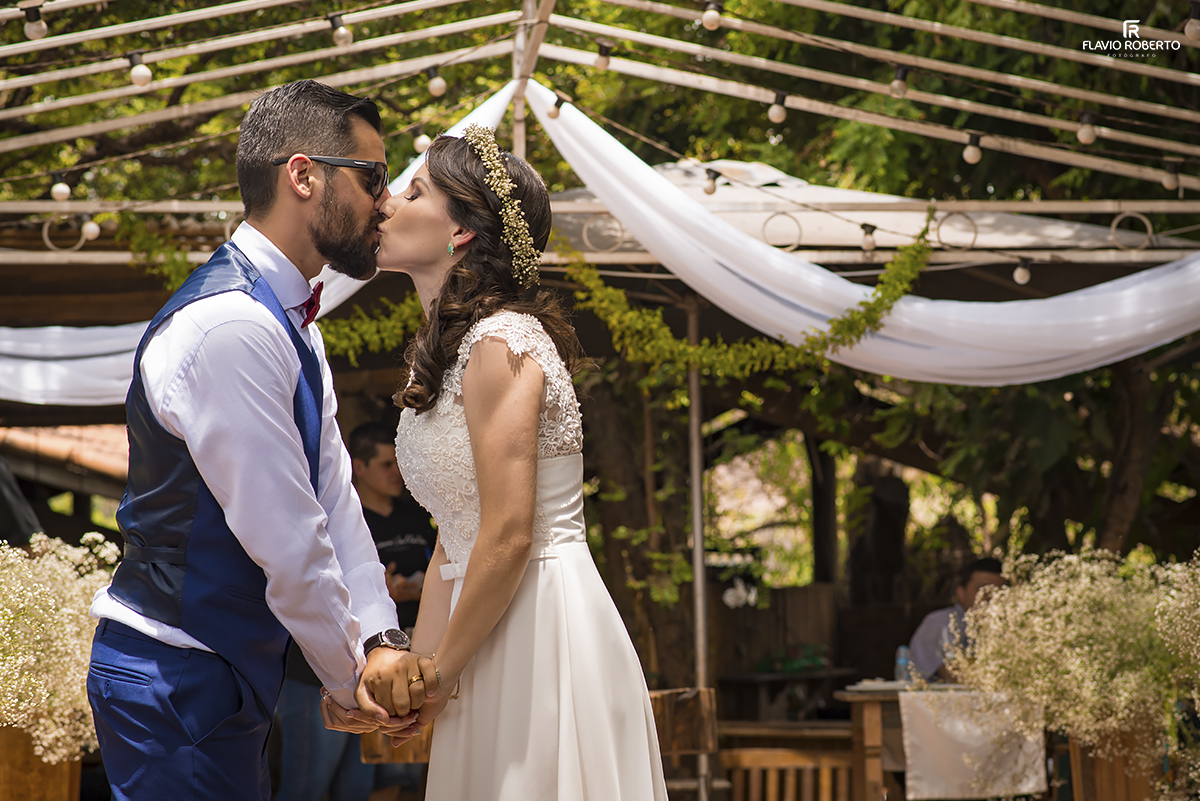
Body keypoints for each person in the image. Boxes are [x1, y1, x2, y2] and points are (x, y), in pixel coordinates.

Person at [87, 80, 419, 801]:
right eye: (372, 178)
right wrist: (348, 678)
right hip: (173, 676)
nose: (386, 202)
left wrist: (379, 642)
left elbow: (335, 500)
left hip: (214, 675)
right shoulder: (232, 328)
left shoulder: (291, 323)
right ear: (303, 175)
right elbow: (292, 541)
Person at [329, 126, 668, 799]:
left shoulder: (502, 342)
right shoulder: (454, 354)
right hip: (477, 631)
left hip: (540, 625)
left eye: (415, 189)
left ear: (460, 232)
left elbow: (510, 533)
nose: (388, 202)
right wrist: (416, 680)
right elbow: (453, 544)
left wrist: (439, 674)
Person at [275, 422, 437, 801]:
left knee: (366, 787)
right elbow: (308, 581)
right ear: (357, 468)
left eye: (398, 463)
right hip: (314, 670)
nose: (397, 473)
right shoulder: (329, 518)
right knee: (309, 787)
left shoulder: (413, 515)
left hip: (391, 662)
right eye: (386, 465)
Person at [909, 557, 1006, 681]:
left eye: (998, 591)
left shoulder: (1009, 627)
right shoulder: (939, 624)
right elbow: (957, 677)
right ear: (961, 593)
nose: (989, 597)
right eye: (981, 590)